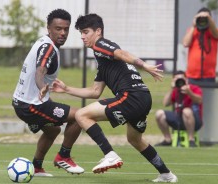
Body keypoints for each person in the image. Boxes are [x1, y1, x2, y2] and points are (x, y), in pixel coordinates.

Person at [52, 14, 178, 183]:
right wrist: (67, 89)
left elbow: (120, 52)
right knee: (134, 139)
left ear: (98, 31)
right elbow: (95, 91)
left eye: (86, 32)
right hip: (142, 98)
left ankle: (110, 154)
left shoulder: (101, 44)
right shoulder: (103, 61)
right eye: (81, 33)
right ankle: (166, 174)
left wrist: (144, 65)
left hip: (131, 96)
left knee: (81, 115)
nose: (82, 36)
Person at [12, 9, 84, 177]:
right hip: (31, 105)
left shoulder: (44, 42)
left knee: (53, 130)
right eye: (58, 28)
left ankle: (36, 168)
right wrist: (42, 85)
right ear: (48, 28)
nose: (63, 33)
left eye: (66, 29)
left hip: (23, 102)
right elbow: (40, 71)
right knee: (80, 116)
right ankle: (64, 157)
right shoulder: (48, 49)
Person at [155, 71, 203, 147]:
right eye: (176, 79)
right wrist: (172, 88)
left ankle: (191, 140)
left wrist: (189, 92)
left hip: (195, 120)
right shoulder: (175, 90)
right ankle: (168, 140)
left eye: (181, 78)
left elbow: (199, 100)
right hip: (178, 118)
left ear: (186, 79)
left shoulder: (194, 88)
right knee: (159, 114)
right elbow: (165, 103)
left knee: (186, 111)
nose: (179, 80)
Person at [182, 7, 218, 84]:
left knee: (208, 96)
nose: (203, 20)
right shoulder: (192, 31)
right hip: (192, 75)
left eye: (205, 19)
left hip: (209, 76)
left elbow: (216, 35)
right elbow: (185, 43)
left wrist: (208, 18)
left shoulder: (214, 31)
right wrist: (193, 26)